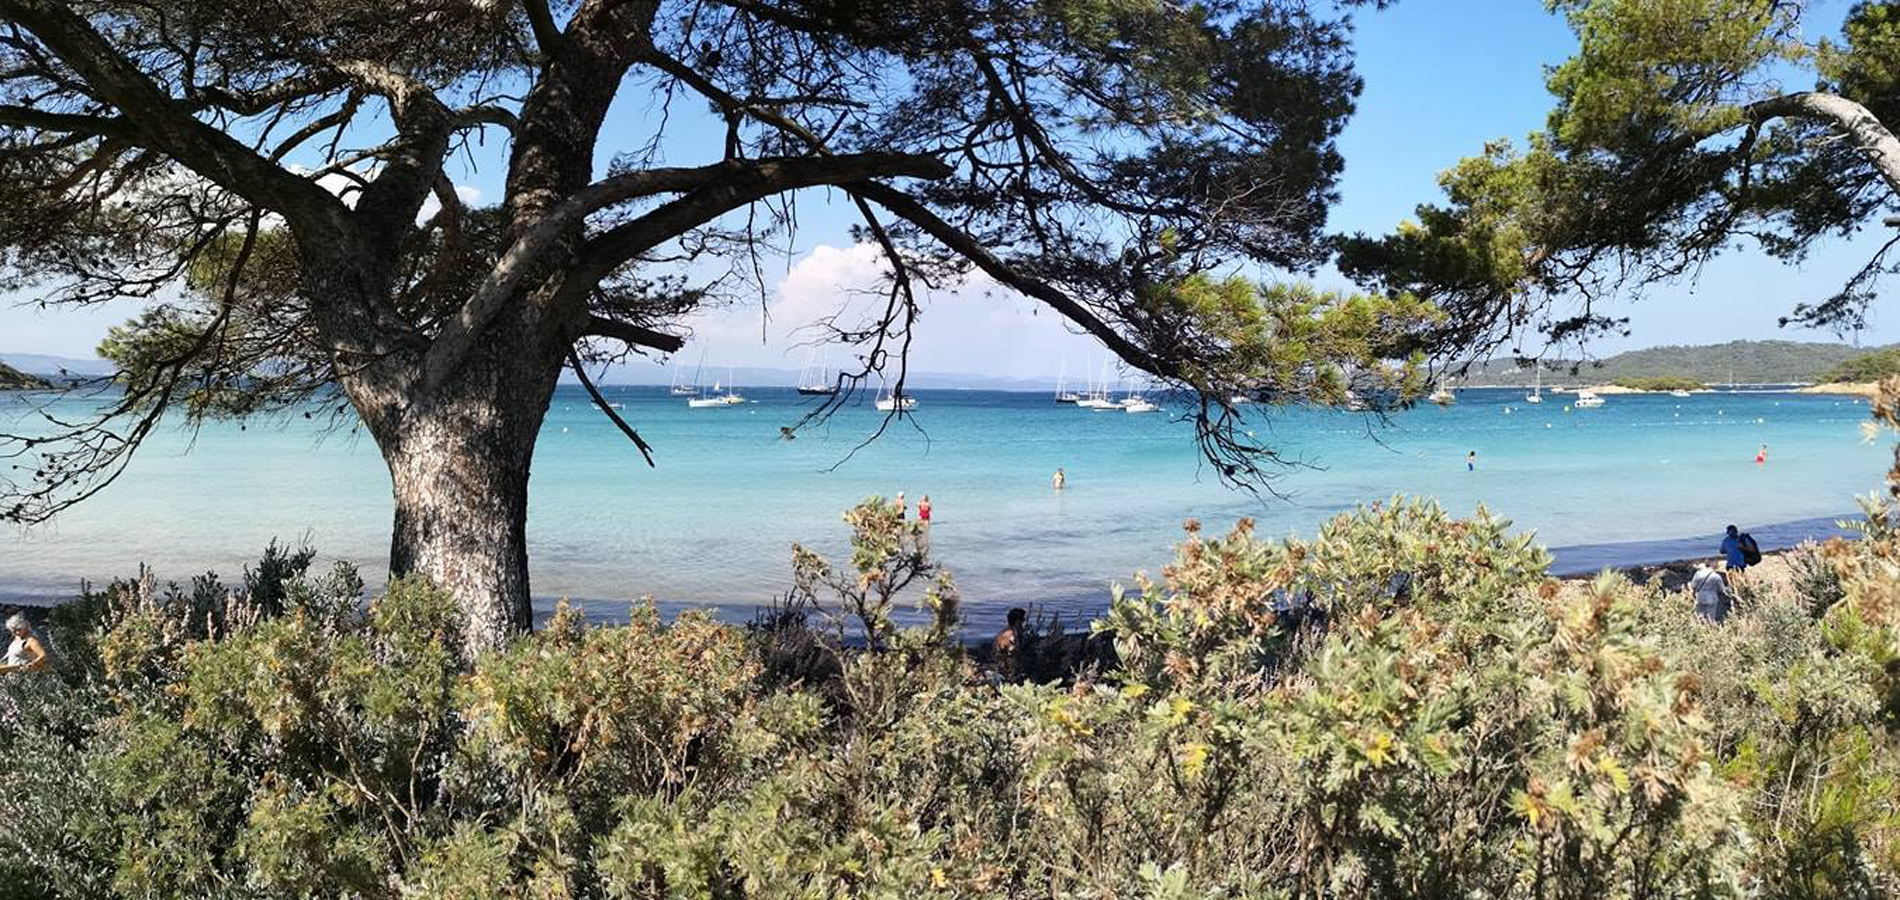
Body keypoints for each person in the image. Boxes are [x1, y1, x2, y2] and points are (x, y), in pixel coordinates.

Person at [992, 607, 1028, 677]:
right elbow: (1012, 654)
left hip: (998, 664)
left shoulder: (1005, 631)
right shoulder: (1011, 635)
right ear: (1018, 621)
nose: (1025, 623)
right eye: (1023, 620)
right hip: (1003, 669)